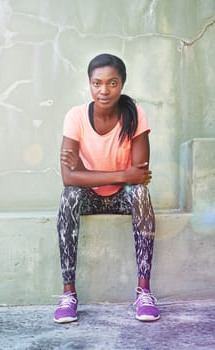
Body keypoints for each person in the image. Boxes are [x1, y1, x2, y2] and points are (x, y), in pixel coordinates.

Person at [54, 53, 160, 324]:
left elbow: (139, 176)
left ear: (122, 84)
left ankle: (144, 292)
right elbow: (68, 178)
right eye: (97, 83)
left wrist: (86, 173)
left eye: (112, 83)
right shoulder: (75, 117)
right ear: (89, 84)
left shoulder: (135, 114)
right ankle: (68, 294)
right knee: (69, 197)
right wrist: (122, 173)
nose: (104, 90)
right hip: (89, 198)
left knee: (140, 194)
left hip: (123, 197)